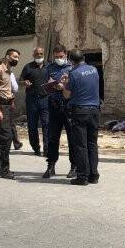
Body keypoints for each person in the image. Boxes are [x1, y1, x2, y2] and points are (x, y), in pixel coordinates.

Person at [59, 49, 102, 185]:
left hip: (80, 111)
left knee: (81, 145)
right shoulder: (94, 70)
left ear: (71, 61)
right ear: (83, 58)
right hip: (94, 110)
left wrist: (64, 84)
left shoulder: (73, 73)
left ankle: (82, 176)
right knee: (92, 144)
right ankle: (93, 175)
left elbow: (66, 95)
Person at [42, 44, 74, 180]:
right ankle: (51, 166)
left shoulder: (72, 68)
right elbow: (45, 85)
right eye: (56, 57)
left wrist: (64, 86)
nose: (59, 59)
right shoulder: (50, 68)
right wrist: (52, 86)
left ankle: (74, 166)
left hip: (68, 106)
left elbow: (75, 87)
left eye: (61, 56)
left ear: (66, 55)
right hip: (54, 105)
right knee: (52, 138)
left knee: (73, 138)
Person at [0, 49, 21, 179]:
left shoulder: (8, 71)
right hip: (1, 106)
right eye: (14, 57)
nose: (16, 59)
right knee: (6, 137)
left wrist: (11, 99)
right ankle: (3, 169)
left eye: (18, 57)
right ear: (7, 57)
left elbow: (5, 89)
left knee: (5, 138)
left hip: (7, 105)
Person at [20, 47, 50, 157]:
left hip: (45, 99)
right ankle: (36, 148)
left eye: (41, 54)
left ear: (44, 54)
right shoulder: (28, 67)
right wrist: (25, 82)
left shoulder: (49, 67)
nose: (39, 56)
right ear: (33, 55)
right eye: (37, 54)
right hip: (31, 100)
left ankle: (47, 149)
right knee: (32, 126)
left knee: (47, 125)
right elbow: (20, 80)